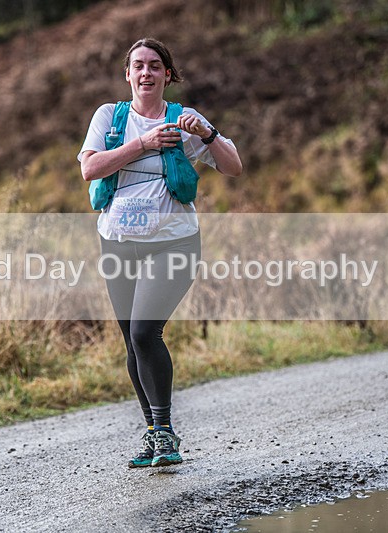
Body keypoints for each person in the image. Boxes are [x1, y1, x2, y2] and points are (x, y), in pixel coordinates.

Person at [77, 38, 241, 468]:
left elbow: (232, 166)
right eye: (138, 66)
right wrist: (144, 145)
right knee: (133, 344)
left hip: (174, 243)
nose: (146, 73)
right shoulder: (109, 117)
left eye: (155, 66)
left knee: (145, 332)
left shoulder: (184, 120)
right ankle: (155, 433)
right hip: (116, 243)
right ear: (127, 75)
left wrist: (208, 133)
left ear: (168, 74)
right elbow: (90, 168)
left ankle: (164, 430)